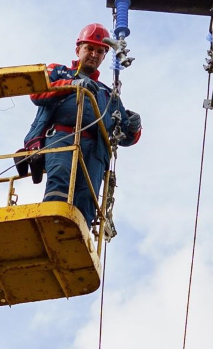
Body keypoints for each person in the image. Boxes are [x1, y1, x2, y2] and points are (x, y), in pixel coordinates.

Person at [24, 23, 141, 224]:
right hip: (62, 137)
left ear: (104, 56)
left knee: (87, 199)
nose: (94, 54)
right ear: (78, 49)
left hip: (95, 150)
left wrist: (134, 125)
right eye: (89, 48)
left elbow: (126, 137)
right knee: (60, 177)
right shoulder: (58, 72)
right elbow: (37, 92)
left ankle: (78, 240)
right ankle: (53, 226)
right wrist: (72, 85)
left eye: (100, 51)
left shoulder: (108, 94)